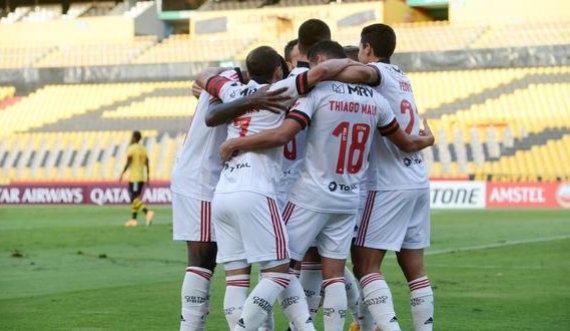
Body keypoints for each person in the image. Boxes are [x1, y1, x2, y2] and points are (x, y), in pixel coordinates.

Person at [219, 40, 434, 331]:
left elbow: (284, 134)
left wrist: (236, 142)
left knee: (278, 270)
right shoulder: (375, 100)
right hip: (348, 198)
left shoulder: (317, 94)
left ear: (320, 60)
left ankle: (252, 327)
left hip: (310, 193)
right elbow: (406, 143)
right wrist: (428, 139)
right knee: (333, 275)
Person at [197, 45, 360, 331]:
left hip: (223, 192)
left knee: (236, 278)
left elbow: (203, 75)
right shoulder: (281, 90)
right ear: (276, 71)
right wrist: (350, 60)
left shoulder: (232, 92)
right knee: (278, 274)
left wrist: (235, 76)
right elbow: (320, 71)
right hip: (256, 190)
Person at [172, 68, 292, 331]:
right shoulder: (234, 83)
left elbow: (203, 79)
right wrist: (250, 99)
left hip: (220, 178)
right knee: (203, 260)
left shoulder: (230, 86)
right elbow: (209, 107)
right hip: (202, 176)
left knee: (239, 267)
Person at [352, 23, 435, 331]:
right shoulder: (403, 76)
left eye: (360, 51)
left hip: (388, 183)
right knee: (415, 269)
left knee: (365, 265)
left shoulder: (379, 73)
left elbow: (365, 74)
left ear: (368, 49)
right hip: (417, 179)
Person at [120, 131, 154, 227]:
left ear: (134, 138)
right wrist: (148, 177)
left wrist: (122, 173)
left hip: (134, 178)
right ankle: (134, 220)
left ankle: (147, 212)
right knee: (135, 198)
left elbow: (129, 162)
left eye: (132, 137)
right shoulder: (143, 149)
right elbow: (147, 163)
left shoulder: (132, 148)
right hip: (141, 177)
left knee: (133, 198)